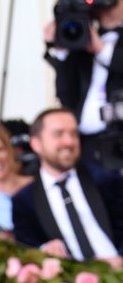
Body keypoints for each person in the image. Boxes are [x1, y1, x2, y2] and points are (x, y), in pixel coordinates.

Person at [11, 107, 123, 264]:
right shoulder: (24, 200)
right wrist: (44, 250)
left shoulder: (106, 181)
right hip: (68, 281)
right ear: (36, 144)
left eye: (74, 134)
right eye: (58, 134)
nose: (69, 142)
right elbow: (27, 248)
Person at [43, 0, 123, 166]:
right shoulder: (82, 39)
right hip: (86, 145)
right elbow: (67, 96)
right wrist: (62, 50)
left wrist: (102, 49)